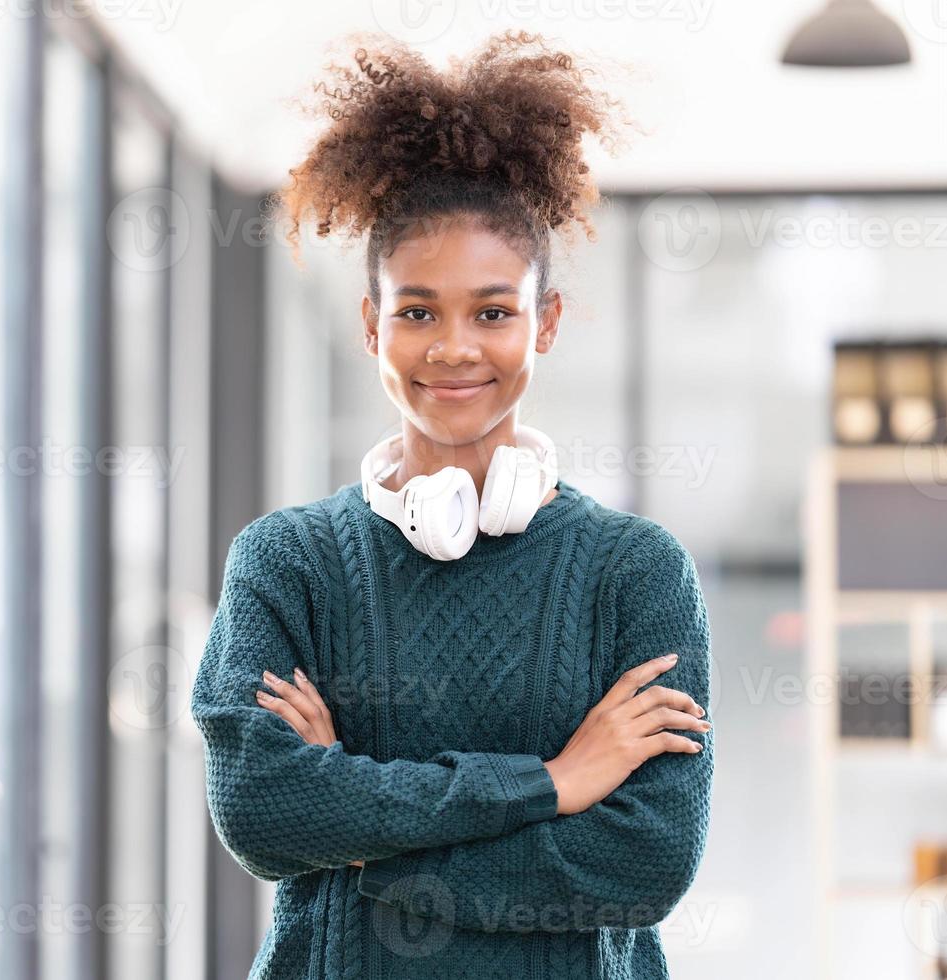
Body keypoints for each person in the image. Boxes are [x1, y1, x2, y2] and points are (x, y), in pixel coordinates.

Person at [190, 30, 715, 980]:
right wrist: (554, 784)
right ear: (370, 322)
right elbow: (262, 811)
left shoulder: (635, 571)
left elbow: (645, 863)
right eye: (417, 310)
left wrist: (359, 838)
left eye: (494, 310)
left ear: (544, 321)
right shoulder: (286, 562)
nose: (454, 348)